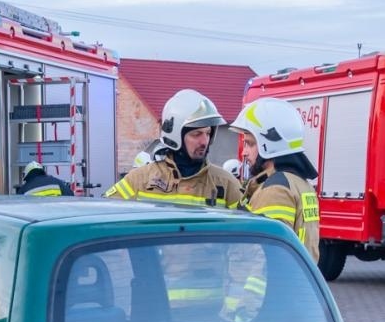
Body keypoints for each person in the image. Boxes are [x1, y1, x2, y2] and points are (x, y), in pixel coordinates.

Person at [106, 90, 242, 209]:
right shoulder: (141, 180)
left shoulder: (226, 184)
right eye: (196, 134)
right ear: (175, 136)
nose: (204, 141)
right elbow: (107, 212)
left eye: (207, 133)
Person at [229, 98, 321, 259]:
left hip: (273, 283)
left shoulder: (276, 189)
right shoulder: (301, 183)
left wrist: (249, 285)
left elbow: (266, 254)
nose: (244, 152)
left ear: (269, 144)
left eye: (250, 144)